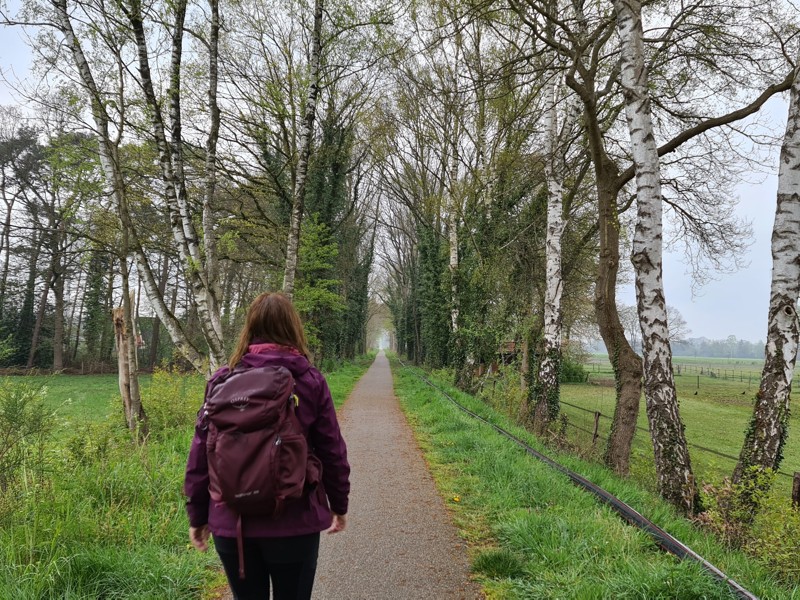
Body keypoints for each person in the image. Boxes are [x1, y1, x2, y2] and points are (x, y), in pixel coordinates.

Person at [184, 291, 350, 600]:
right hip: (294, 522)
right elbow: (332, 450)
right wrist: (339, 505)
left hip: (232, 523)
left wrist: (198, 516)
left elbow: (200, 454)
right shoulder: (310, 380)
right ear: (293, 329)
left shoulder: (222, 380)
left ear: (249, 328)